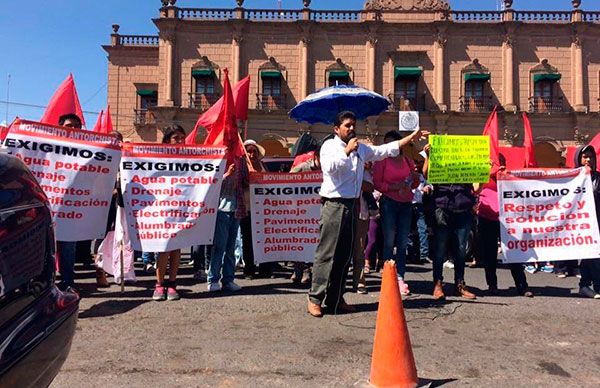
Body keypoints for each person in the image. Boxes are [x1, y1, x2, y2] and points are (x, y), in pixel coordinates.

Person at [307, 111, 426, 317]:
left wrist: (409, 139)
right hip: (334, 205)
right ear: (337, 129)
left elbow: (384, 150)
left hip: (353, 205)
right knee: (327, 253)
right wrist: (346, 152)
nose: (352, 129)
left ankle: (336, 298)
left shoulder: (361, 149)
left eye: (353, 125)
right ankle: (315, 298)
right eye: (347, 125)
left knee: (345, 255)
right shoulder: (329, 146)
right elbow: (331, 169)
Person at [422, 144, 476, 300]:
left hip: (463, 210)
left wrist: (483, 168)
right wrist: (429, 157)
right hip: (443, 209)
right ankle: (437, 284)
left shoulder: (467, 167)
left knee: (460, 251)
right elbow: (426, 174)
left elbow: (477, 188)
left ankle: (459, 285)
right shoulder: (439, 164)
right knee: (439, 250)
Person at [475, 154, 532, 297]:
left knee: (513, 253)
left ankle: (522, 286)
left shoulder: (509, 176)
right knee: (489, 254)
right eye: (496, 162)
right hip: (487, 217)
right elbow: (474, 190)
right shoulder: (482, 175)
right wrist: (488, 172)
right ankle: (492, 285)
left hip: (508, 219)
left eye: (501, 162)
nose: (499, 164)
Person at [373, 130, 419, 296]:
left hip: (406, 204)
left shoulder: (407, 161)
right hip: (389, 204)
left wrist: (414, 179)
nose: (389, 146)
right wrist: (394, 188)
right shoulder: (382, 161)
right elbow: (377, 183)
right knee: (389, 241)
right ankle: (388, 277)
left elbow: (413, 184)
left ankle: (400, 277)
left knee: (402, 243)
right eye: (386, 143)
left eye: (391, 143)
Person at [152, 125, 186, 301]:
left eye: (182, 137)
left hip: (181, 208)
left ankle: (172, 284)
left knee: (176, 248)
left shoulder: (191, 159)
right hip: (162, 208)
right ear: (167, 140)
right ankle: (159, 285)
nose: (180, 141)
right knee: (163, 248)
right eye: (176, 138)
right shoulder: (157, 157)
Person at [207, 151, 249, 292]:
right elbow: (210, 182)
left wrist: (249, 175)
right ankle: (213, 280)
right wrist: (226, 175)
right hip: (221, 209)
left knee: (231, 247)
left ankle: (228, 279)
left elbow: (245, 183)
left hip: (236, 208)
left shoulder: (241, 160)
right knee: (219, 246)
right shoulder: (218, 158)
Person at [55, 113, 83, 292]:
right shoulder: (49, 146)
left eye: (76, 127)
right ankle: (46, 285)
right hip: (50, 207)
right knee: (47, 249)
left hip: (72, 207)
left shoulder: (87, 148)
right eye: (68, 126)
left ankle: (67, 283)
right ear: (60, 128)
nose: (72, 129)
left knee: (68, 249)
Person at [289, 145, 321, 284]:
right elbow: (287, 180)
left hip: (317, 211)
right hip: (300, 210)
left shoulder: (326, 170)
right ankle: (298, 270)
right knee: (299, 240)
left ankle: (308, 271)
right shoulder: (302, 167)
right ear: (315, 157)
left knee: (313, 242)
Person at [239, 139, 269, 279]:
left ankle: (265, 268)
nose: (252, 154)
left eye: (254, 151)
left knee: (263, 238)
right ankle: (249, 269)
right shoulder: (242, 166)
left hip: (263, 208)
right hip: (247, 208)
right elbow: (240, 185)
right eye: (249, 151)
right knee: (248, 240)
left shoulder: (262, 166)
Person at [575, 145, 600, 299]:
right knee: (590, 255)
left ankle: (590, 285)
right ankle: (585, 285)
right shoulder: (570, 179)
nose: (588, 159)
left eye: (591, 156)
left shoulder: (599, 178)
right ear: (578, 159)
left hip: (598, 223)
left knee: (595, 256)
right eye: (585, 157)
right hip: (580, 225)